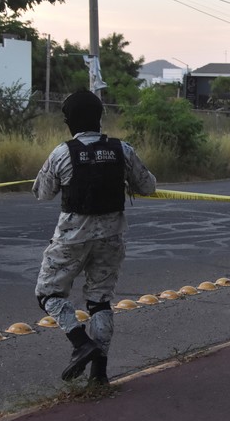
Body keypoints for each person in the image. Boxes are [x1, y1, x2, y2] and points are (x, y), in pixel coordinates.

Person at [33, 90, 156, 385]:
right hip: (111, 237)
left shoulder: (62, 153)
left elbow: (42, 192)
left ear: (69, 122)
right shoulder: (122, 150)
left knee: (48, 294)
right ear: (100, 118)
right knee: (99, 301)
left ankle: (80, 343)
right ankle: (99, 375)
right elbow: (148, 186)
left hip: (71, 238)